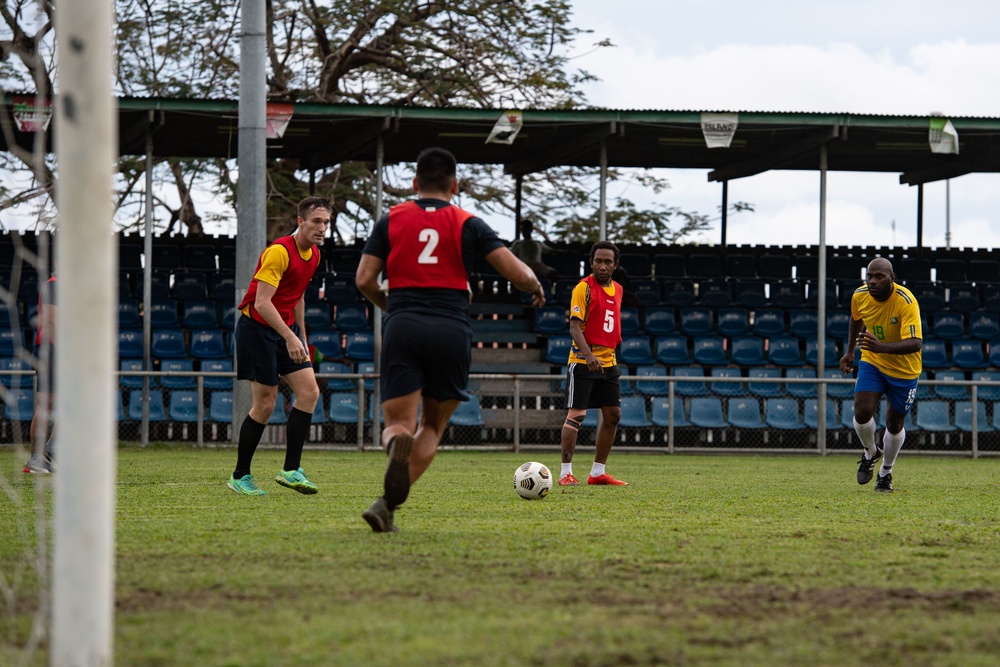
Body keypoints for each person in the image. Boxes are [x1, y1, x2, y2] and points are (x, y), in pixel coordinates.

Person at [356, 147, 545, 532]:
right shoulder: (467, 222)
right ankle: (387, 504)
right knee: (432, 427)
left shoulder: (390, 219)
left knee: (398, 423)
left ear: (414, 183)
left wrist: (390, 306)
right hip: (450, 327)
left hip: (404, 322)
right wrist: (535, 284)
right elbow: (518, 274)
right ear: (454, 185)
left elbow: (363, 280)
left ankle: (395, 444)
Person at [227, 196, 330, 496]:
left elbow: (297, 294)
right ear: (300, 221)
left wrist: (301, 336)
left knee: (309, 392)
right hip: (257, 329)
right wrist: (289, 335)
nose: (322, 228)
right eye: (316, 221)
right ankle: (240, 475)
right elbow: (262, 302)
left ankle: (290, 471)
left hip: (285, 330)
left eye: (326, 222)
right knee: (266, 403)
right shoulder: (279, 252)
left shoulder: (314, 256)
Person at [839, 257, 922, 493]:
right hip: (872, 362)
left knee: (894, 425)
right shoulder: (860, 295)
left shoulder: (906, 301)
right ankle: (870, 452)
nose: (873, 281)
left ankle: (885, 472)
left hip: (904, 370)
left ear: (891, 278)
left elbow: (916, 343)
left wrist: (882, 346)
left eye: (879, 276)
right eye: (869, 276)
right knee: (862, 410)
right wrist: (850, 352)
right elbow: (856, 319)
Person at [557, 241, 628, 487]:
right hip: (582, 360)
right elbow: (574, 326)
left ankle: (597, 473)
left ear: (615, 265)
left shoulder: (618, 289)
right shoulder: (583, 288)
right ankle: (565, 473)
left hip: (609, 362)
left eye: (608, 262)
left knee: (613, 415)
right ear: (591, 263)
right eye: (598, 261)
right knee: (576, 416)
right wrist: (588, 355)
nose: (602, 266)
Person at [23, 272, 57, 474]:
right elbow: (52, 323)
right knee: (47, 403)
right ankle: (36, 457)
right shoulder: (53, 286)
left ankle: (52, 448)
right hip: (51, 348)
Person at [509, 218, 558, 283]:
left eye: (526, 229)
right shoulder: (518, 243)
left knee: (553, 273)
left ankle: (548, 291)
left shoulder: (538, 243)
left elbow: (550, 251)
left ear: (531, 230)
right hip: (522, 266)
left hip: (538, 266)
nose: (524, 231)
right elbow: (512, 256)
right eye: (523, 229)